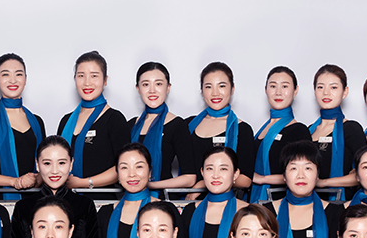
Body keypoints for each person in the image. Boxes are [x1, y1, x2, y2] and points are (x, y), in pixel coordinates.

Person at [97, 143, 188, 238]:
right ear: (117, 174)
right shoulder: (105, 213)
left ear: (150, 172)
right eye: (124, 167)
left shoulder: (166, 210)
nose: (132, 174)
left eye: (139, 166)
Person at [9, 136, 102, 238]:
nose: (54, 171)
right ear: (37, 164)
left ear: (71, 164)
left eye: (61, 163)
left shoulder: (85, 205)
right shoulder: (23, 207)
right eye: (47, 163)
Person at [264, 140, 343, 238]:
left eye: (308, 168)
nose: (301, 175)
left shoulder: (335, 214)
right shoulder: (267, 213)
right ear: (284, 176)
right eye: (293, 168)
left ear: (317, 175)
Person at [0, 53, 45, 199]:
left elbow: (44, 166)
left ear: (25, 79)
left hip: (36, 201)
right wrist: (15, 182)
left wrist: (36, 179)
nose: (13, 80)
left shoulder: (37, 122)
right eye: (5, 74)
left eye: (18, 74)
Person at [57, 51, 127, 193]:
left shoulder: (115, 119)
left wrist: (84, 183)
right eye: (81, 76)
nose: (87, 82)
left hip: (101, 200)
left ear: (105, 80)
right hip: (65, 200)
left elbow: (124, 167)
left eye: (94, 76)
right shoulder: (66, 121)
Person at [179, 147, 247, 238]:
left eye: (223, 169)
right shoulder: (190, 211)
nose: (216, 175)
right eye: (210, 168)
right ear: (202, 172)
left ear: (235, 174)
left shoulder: (248, 213)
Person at [186, 62, 254, 194]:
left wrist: (203, 183)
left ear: (232, 89)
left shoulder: (242, 130)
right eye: (208, 87)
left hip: (226, 199)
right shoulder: (188, 125)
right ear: (202, 91)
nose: (215, 93)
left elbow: (245, 180)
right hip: (187, 199)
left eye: (222, 86)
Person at [128, 62, 196, 190]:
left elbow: (189, 178)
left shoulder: (177, 125)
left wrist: (149, 185)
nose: (152, 90)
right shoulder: (131, 125)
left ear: (168, 87)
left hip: (161, 197)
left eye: (158, 84)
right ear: (138, 89)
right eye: (146, 84)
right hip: (131, 197)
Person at [250, 66, 313, 202]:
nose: (278, 92)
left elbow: (303, 174)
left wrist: (262, 179)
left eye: (285, 86)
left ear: (295, 90)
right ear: (266, 90)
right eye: (273, 86)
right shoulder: (262, 129)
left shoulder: (299, 130)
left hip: (282, 202)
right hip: (256, 200)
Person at [307, 64, 366, 199]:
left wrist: (323, 183)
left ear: (345, 92)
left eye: (333, 87)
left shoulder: (352, 129)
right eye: (320, 87)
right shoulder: (308, 131)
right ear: (314, 91)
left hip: (342, 204)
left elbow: (363, 173)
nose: (326, 93)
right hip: (308, 203)